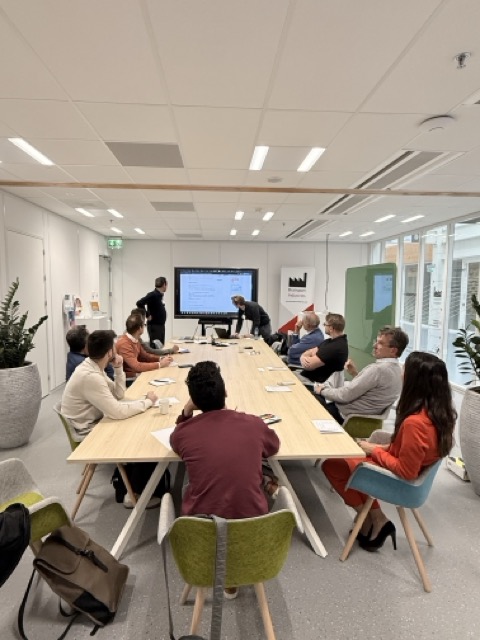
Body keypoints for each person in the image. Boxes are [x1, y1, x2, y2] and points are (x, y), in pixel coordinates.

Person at [322, 351, 456, 552]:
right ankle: (373, 518)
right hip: (412, 476)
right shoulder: (440, 415)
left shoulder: (415, 423)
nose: (401, 373)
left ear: (414, 380)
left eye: (405, 369)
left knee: (334, 465)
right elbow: (407, 449)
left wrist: (374, 451)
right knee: (339, 462)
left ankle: (374, 518)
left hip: (400, 483)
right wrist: (376, 447)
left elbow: (406, 471)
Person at [170, 360, 280, 519]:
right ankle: (268, 482)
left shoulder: (183, 433)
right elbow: (274, 446)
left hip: (200, 528)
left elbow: (175, 443)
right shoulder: (254, 424)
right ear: (226, 392)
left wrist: (186, 411)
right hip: (254, 525)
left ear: (194, 401)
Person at [61, 330, 158, 439]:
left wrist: (118, 368)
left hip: (93, 420)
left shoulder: (93, 365)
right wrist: (148, 402)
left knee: (136, 419)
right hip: (86, 430)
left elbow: (118, 395)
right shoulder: (90, 376)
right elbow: (117, 412)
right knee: (137, 429)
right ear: (109, 352)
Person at [314, 326, 408, 424]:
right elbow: (372, 389)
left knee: (311, 397)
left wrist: (322, 390)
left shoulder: (378, 370)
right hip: (363, 419)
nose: (374, 345)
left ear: (393, 351)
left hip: (343, 415)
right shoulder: (398, 371)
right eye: (376, 341)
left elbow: (344, 396)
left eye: (380, 343)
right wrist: (355, 373)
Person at [116, 314, 173, 380]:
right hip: (130, 379)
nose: (144, 327)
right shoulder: (124, 344)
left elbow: (145, 356)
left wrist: (161, 359)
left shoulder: (135, 339)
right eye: (144, 325)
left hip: (136, 375)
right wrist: (160, 364)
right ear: (140, 328)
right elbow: (137, 366)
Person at [297, 313, 348, 384]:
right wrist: (303, 356)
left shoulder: (335, 347)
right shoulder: (330, 341)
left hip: (313, 383)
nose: (324, 327)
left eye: (325, 324)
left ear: (331, 328)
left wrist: (304, 356)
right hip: (308, 378)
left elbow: (309, 365)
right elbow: (311, 351)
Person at [136, 276, 168, 347]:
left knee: (161, 346)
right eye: (166, 285)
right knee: (155, 347)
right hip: (154, 326)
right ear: (164, 285)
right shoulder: (153, 295)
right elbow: (139, 303)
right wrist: (147, 315)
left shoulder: (159, 295)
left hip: (160, 326)